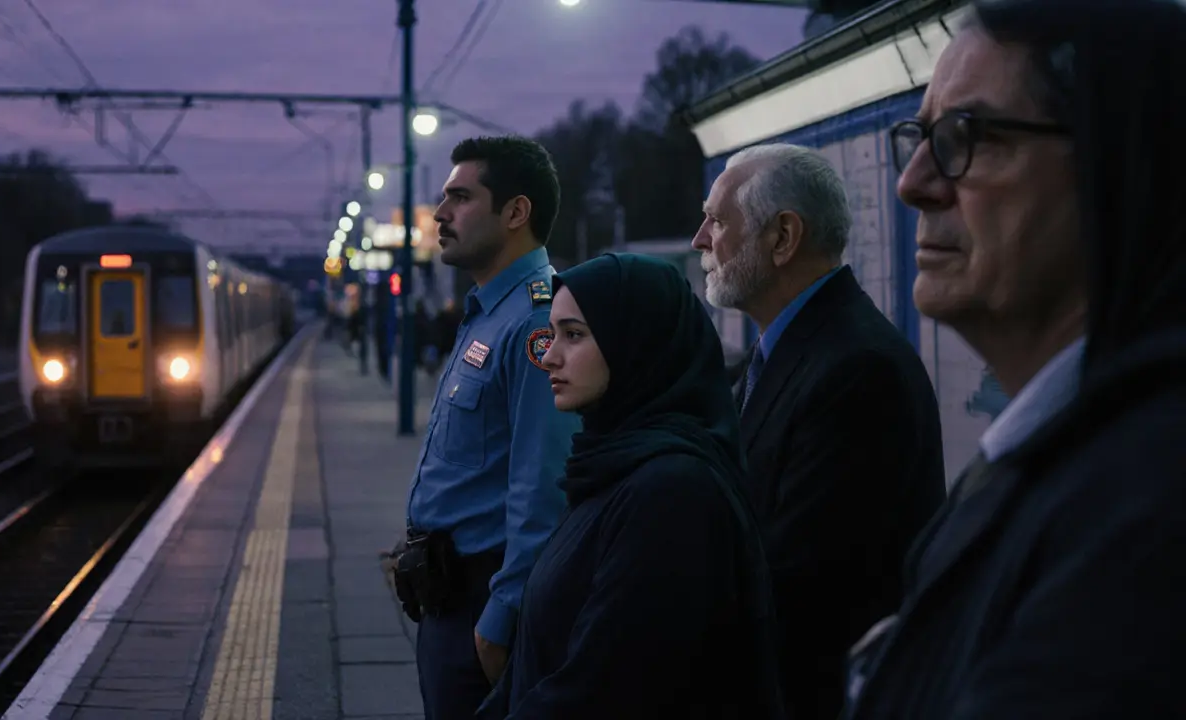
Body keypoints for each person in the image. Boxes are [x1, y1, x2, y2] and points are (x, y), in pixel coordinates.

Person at [844, 0, 1186, 716]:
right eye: (923, 135)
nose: (914, 183)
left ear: (1120, 162)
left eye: (966, 136)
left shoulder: (1143, 520)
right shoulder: (1060, 453)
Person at [692, 142, 946, 720]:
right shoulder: (791, 353)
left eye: (717, 220)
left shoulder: (858, 371)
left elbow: (802, 591)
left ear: (783, 237)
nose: (700, 240)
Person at [477, 252, 784, 719]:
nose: (550, 357)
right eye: (553, 334)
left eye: (574, 335)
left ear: (636, 342)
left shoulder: (672, 493)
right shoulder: (608, 463)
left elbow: (605, 687)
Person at [391, 135, 580, 719]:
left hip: (482, 604)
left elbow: (542, 485)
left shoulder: (534, 323)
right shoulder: (488, 312)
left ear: (515, 212)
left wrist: (501, 622)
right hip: (445, 592)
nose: (440, 214)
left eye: (460, 198)